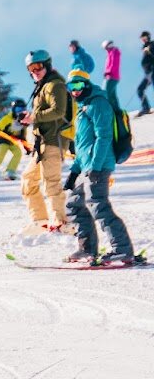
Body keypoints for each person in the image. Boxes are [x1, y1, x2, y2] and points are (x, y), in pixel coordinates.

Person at [62, 74, 135, 265]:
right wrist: (74, 172)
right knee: (74, 205)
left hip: (99, 167)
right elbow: (82, 146)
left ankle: (122, 248)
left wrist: (95, 166)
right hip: (87, 168)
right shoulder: (83, 108)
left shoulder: (98, 103)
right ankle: (86, 249)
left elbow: (104, 137)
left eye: (78, 85)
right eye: (71, 87)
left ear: (86, 85)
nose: (75, 89)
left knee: (98, 206)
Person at [19, 49, 69, 230]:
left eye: (38, 66)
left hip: (54, 142)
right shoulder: (42, 87)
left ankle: (60, 222)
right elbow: (42, 115)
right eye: (31, 68)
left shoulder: (55, 85)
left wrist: (34, 117)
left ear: (47, 65)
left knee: (51, 182)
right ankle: (41, 221)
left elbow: (59, 111)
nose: (35, 71)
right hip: (42, 145)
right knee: (28, 179)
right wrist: (30, 118)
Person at [0, 100, 27, 180]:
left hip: (12, 141)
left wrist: (26, 147)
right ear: (14, 109)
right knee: (1, 155)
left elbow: (23, 135)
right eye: (18, 109)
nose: (20, 112)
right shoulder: (7, 118)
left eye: (22, 109)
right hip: (4, 140)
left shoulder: (23, 121)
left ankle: (10, 171)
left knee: (18, 153)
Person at [138, 31, 153, 117]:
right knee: (140, 90)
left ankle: (146, 108)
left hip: (152, 71)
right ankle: (146, 108)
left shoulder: (152, 45)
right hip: (148, 73)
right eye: (141, 38)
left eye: (144, 37)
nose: (142, 39)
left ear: (148, 37)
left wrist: (150, 49)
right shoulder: (145, 47)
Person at [101, 40, 121, 105]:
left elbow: (114, 64)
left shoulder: (114, 52)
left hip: (112, 76)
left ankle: (110, 110)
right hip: (111, 76)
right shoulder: (110, 53)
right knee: (112, 95)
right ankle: (117, 112)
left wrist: (108, 72)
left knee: (106, 93)